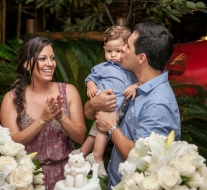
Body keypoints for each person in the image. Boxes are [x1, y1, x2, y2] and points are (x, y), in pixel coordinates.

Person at [84, 22, 181, 189]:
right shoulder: (135, 85)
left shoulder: (158, 104)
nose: (122, 52)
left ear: (141, 58)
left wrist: (111, 127)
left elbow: (141, 158)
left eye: (126, 47)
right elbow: (89, 113)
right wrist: (93, 103)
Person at [0, 36, 87, 190]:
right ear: (27, 64)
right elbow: (12, 144)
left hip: (66, 178)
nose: (50, 64)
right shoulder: (11, 99)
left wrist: (60, 117)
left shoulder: (68, 91)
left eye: (52, 58)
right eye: (42, 58)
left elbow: (80, 137)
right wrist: (42, 120)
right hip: (28, 178)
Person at [72, 26, 138, 178]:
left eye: (118, 51)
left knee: (97, 131)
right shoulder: (102, 67)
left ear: (127, 49)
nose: (113, 55)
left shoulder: (130, 70)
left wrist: (134, 86)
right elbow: (91, 78)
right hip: (106, 102)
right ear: (104, 49)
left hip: (119, 107)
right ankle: (97, 158)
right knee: (103, 130)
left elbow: (140, 82)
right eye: (109, 51)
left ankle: (81, 153)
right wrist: (91, 86)